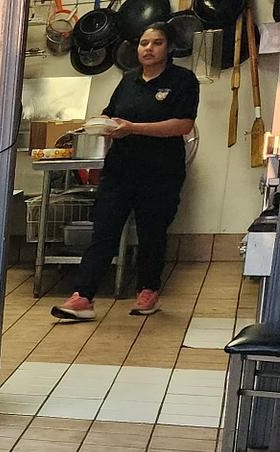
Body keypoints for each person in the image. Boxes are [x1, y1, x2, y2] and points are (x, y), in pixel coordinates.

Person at [54, 24, 198, 321]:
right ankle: (83, 297)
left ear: (168, 48)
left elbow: (183, 125)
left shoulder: (182, 80)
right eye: (144, 43)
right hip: (120, 170)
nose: (148, 48)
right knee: (103, 231)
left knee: (151, 233)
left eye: (157, 43)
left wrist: (132, 128)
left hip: (160, 172)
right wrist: (101, 123)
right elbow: (111, 113)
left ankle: (148, 291)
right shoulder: (128, 80)